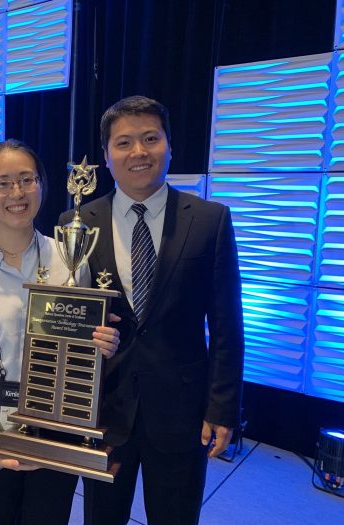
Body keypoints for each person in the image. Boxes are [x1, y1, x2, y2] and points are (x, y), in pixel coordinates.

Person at [59, 96, 245, 525]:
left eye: (150, 138)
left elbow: (226, 324)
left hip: (182, 409)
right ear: (106, 155)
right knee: (101, 517)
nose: (138, 152)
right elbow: (70, 314)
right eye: (123, 143)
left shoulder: (210, 220)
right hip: (104, 408)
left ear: (169, 146)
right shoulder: (77, 222)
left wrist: (222, 408)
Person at [0, 139, 121, 525]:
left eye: (27, 179)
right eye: (2, 183)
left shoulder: (70, 260)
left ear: (42, 184)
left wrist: (99, 345)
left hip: (56, 421)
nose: (17, 193)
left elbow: (78, 347)